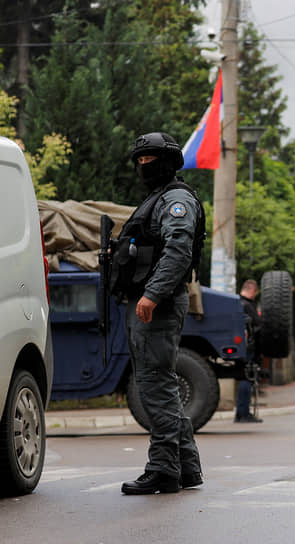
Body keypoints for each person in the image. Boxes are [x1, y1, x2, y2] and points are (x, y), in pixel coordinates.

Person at [113, 132, 205, 495]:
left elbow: (178, 249)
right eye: (139, 159)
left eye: (149, 159)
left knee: (155, 387)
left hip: (159, 305)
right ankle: (187, 468)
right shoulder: (159, 199)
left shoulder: (176, 200)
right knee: (159, 384)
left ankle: (163, 469)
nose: (143, 165)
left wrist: (152, 294)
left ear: (167, 161)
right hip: (151, 302)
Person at [236, 279, 263, 423]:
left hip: (240, 346)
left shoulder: (236, 302)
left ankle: (241, 413)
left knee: (244, 378)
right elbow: (258, 326)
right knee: (247, 378)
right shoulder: (248, 305)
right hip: (249, 348)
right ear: (253, 290)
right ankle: (243, 413)